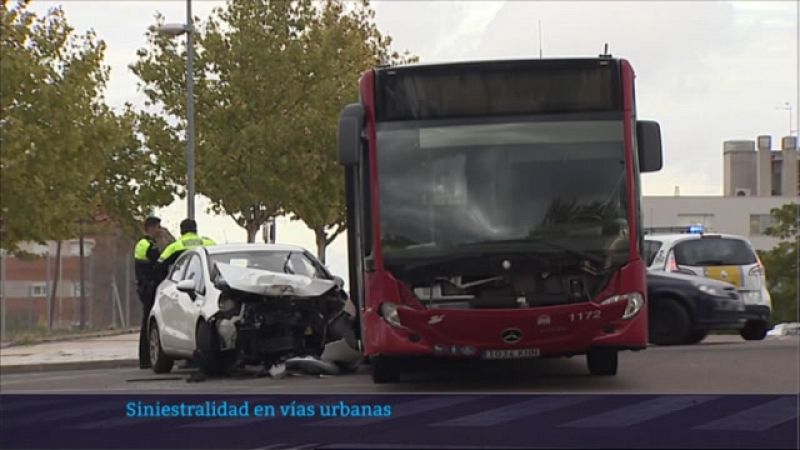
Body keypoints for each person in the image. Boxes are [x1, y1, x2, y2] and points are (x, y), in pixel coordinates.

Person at [134, 216, 164, 369]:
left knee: (147, 321)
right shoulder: (147, 246)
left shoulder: (143, 244)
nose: (160, 230)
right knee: (148, 322)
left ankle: (145, 359)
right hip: (149, 288)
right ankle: (146, 359)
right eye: (158, 227)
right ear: (151, 228)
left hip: (145, 287)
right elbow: (158, 265)